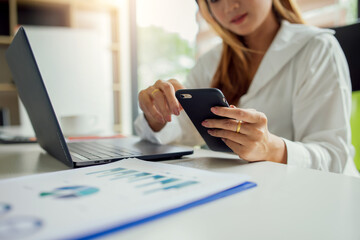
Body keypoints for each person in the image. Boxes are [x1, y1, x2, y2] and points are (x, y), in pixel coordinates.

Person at [135, 0, 356, 174]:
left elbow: (334, 157)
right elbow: (182, 132)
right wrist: (157, 115)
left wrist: (271, 149)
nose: (229, 6)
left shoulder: (317, 48)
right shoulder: (211, 61)